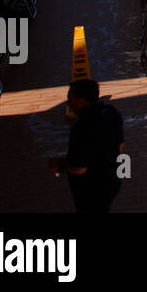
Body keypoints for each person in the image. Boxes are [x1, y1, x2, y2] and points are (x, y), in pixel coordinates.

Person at [48, 79, 124, 213]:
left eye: (70, 100)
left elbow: (78, 169)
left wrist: (59, 164)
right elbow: (120, 146)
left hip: (91, 190)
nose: (68, 104)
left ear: (81, 101)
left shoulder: (81, 129)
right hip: (112, 181)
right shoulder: (112, 113)